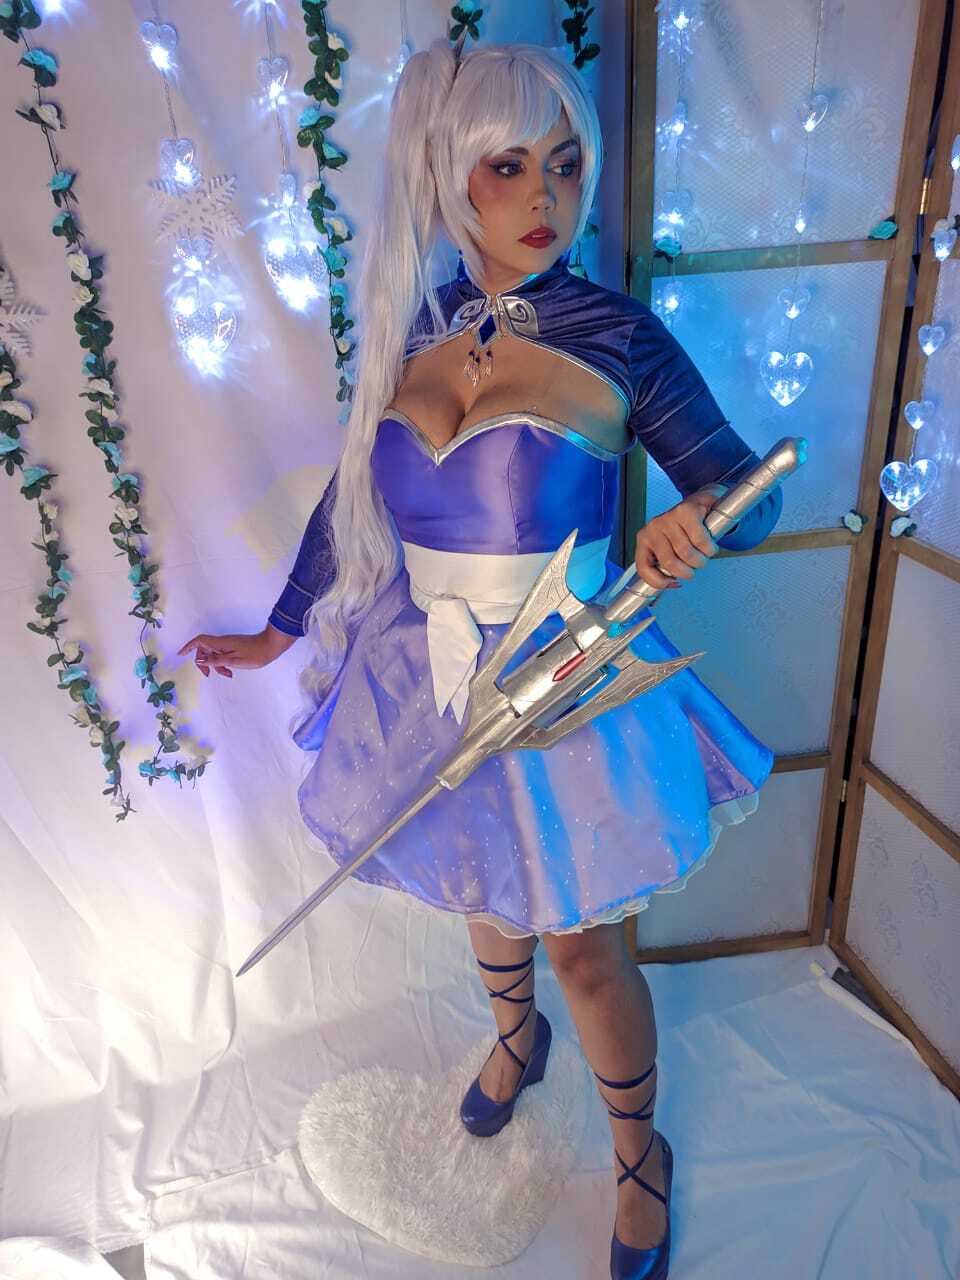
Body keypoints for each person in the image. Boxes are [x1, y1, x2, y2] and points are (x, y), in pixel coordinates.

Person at [179, 38, 783, 1280]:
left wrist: (702, 517)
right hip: (423, 672)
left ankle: (640, 1160)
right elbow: (349, 500)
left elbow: (752, 491)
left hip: (568, 678)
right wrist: (280, 628)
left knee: (585, 946)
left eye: (564, 165)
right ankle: (516, 1041)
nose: (545, 198)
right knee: (479, 888)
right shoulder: (410, 328)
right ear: (449, 176)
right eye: (508, 167)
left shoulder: (620, 336)